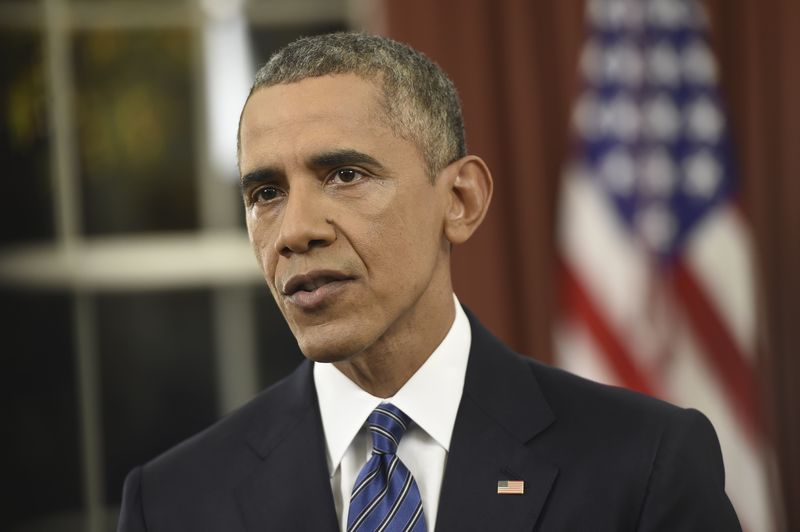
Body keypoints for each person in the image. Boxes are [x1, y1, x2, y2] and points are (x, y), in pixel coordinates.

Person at [118, 32, 741, 531]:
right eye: (266, 193)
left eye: (344, 174)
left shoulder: (644, 464)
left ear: (461, 200)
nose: (295, 230)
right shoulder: (171, 503)